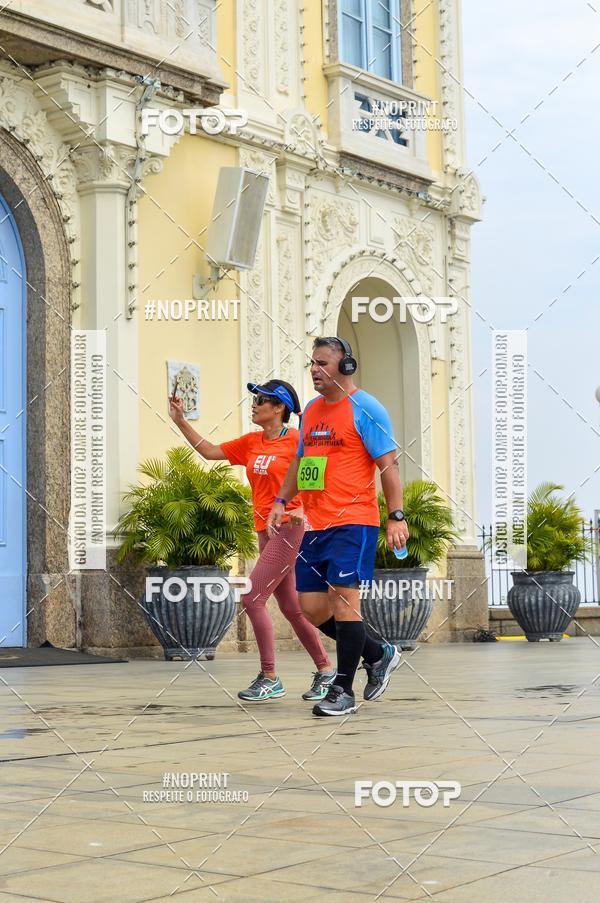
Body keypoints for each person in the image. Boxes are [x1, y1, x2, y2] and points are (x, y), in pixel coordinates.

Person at [169, 378, 336, 702]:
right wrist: (180, 421)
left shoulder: (297, 441)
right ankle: (326, 671)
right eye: (255, 399)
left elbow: (318, 479)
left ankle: (269, 676)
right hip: (265, 530)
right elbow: (209, 450)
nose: (255, 404)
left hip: (289, 526)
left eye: (262, 399)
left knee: (251, 598)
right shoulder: (251, 442)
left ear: (279, 408)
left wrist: (304, 509)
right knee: (290, 607)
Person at [266, 338, 409, 716]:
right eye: (312, 363)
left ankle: (343, 690)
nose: (314, 370)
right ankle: (378, 654)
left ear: (346, 367)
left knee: (345, 605)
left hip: (354, 522)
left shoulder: (366, 408)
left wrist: (396, 515)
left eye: (323, 363)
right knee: (310, 607)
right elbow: (301, 463)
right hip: (315, 525)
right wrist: (281, 501)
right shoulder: (310, 411)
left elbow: (389, 466)